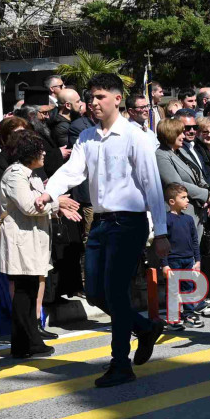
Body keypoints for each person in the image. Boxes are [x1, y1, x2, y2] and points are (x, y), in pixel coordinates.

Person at [44, 73, 170, 387]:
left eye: (100, 96)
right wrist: (49, 192)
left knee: (115, 291)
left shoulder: (135, 136)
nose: (93, 102)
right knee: (96, 293)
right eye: (91, 97)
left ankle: (120, 364)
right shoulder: (87, 137)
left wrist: (161, 232)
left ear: (117, 98)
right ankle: (144, 327)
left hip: (129, 222)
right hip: (100, 223)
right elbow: (72, 171)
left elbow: (152, 185)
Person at [0, 132, 54, 359]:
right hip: (20, 240)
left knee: (28, 290)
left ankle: (25, 343)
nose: (44, 153)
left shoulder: (31, 175)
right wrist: (57, 203)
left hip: (30, 239)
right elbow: (30, 206)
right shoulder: (15, 175)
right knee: (23, 292)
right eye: (39, 149)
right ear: (29, 153)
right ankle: (27, 342)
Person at [162, 183, 204, 328]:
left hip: (188, 260)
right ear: (172, 201)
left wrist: (197, 260)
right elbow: (162, 243)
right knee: (173, 290)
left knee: (188, 288)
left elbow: (194, 241)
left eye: (187, 197)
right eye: (183, 197)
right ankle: (172, 319)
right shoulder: (166, 219)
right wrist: (165, 264)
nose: (187, 200)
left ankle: (189, 315)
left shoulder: (189, 219)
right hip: (173, 260)